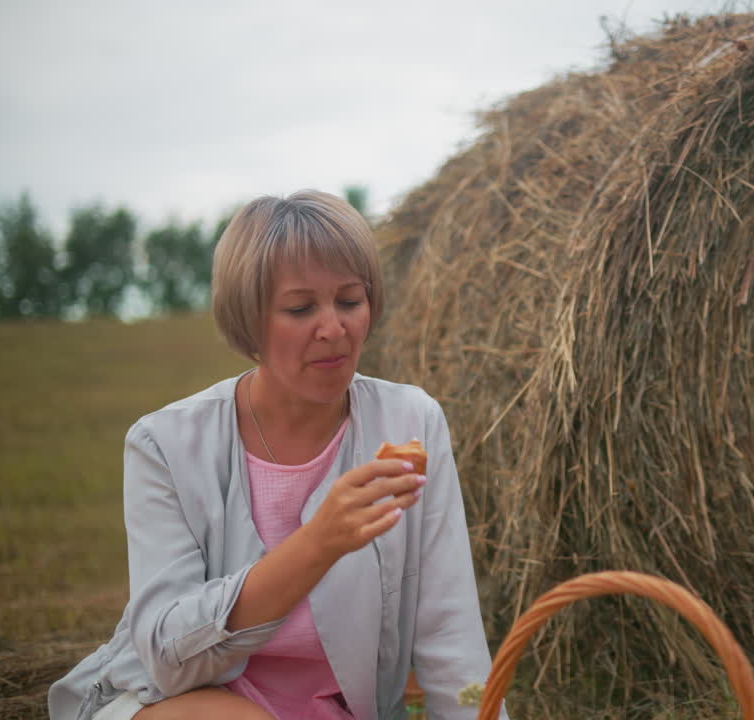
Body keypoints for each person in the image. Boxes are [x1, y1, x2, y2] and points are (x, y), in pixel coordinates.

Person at [49, 191, 507, 720]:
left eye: (350, 301)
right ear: (248, 320)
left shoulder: (410, 422)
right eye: (300, 307)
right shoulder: (164, 445)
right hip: (181, 704)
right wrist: (318, 543)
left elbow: (451, 637)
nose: (333, 328)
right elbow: (166, 655)